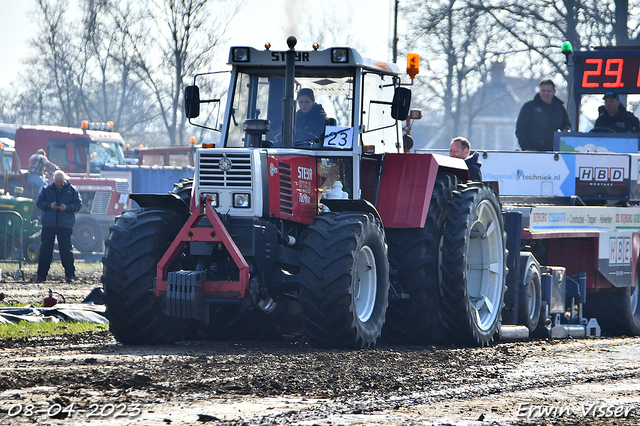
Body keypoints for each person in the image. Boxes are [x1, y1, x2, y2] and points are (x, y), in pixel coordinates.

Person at [36, 170, 82, 283]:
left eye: (60, 181)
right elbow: (39, 203)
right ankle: (41, 276)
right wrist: (49, 205)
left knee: (66, 249)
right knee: (45, 250)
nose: (59, 183)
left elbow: (78, 205)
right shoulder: (47, 189)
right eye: (57, 181)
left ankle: (70, 275)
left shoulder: (72, 190)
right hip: (49, 224)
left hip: (65, 224)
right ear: (53, 180)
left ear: (64, 180)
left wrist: (67, 208)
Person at [515, 79, 571, 151]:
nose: (546, 93)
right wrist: (526, 148)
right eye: (543, 91)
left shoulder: (559, 108)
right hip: (532, 151)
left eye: (549, 91)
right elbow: (521, 130)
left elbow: (566, 125)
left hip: (553, 152)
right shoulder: (529, 107)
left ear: (554, 92)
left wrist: (566, 132)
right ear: (539, 91)